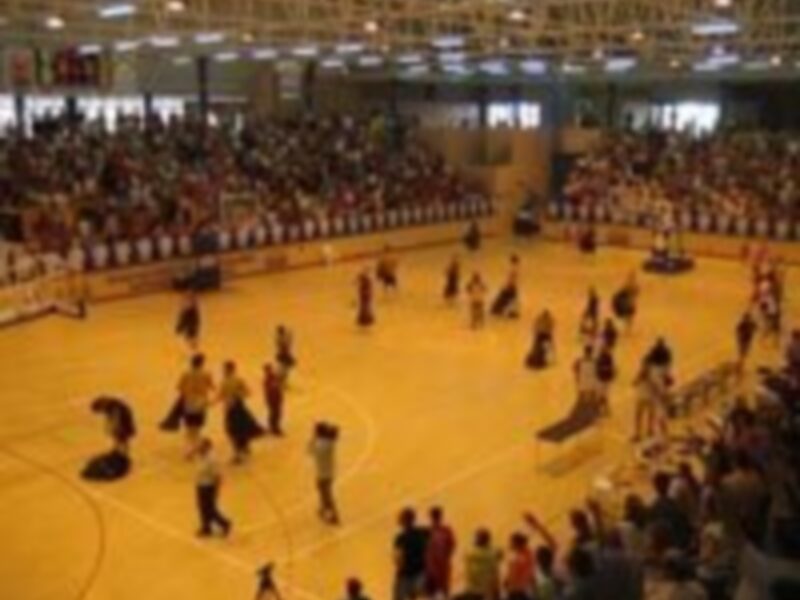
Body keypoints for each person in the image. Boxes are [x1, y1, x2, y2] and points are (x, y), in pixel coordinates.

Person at [218, 360, 264, 464]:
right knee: (241, 430)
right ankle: (243, 449)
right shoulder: (233, 380)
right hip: (236, 408)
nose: (224, 371)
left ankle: (238, 454)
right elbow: (247, 392)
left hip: (234, 409)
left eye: (225, 369)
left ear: (229, 369)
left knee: (234, 431)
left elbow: (246, 392)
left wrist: (235, 396)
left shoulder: (229, 381)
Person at [174, 353, 215, 458]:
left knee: (189, 428)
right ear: (202, 363)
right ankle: (195, 448)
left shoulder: (186, 374)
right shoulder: (206, 374)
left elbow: (179, 388)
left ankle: (189, 450)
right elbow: (212, 387)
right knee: (197, 428)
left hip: (189, 403)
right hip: (201, 403)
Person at [195, 437, 232, 538]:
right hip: (201, 485)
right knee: (202, 507)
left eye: (201, 446)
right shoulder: (200, 456)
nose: (198, 447)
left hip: (209, 487)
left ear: (206, 447)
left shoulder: (212, 459)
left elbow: (217, 476)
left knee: (210, 509)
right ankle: (206, 527)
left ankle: (225, 523)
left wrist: (216, 490)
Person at [393, 508, 429, 600]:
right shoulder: (424, 533)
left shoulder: (400, 538)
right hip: (419, 571)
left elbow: (398, 559)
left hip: (411, 573)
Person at [308, 422, 340, 525]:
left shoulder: (319, 444)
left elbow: (310, 450)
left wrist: (313, 438)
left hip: (322, 474)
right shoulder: (329, 443)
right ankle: (323, 509)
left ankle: (334, 515)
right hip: (328, 473)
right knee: (324, 493)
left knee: (326, 495)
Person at [425, 506, 457, 599]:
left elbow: (451, 545)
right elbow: (452, 545)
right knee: (438, 590)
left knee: (442, 589)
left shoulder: (443, 530)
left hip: (438, 564)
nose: (435, 518)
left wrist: (446, 557)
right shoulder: (429, 531)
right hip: (434, 565)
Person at [463, 528, 503, 600]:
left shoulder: (470, 552)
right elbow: (499, 555)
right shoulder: (493, 553)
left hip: (472, 587)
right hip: (486, 589)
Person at [503, 532, 535, 600]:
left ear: (518, 543)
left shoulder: (523, 554)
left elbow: (516, 569)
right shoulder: (517, 553)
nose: (511, 544)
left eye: (512, 542)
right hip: (517, 588)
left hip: (520, 589)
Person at [263, 363, 286, 436]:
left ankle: (273, 427)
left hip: (275, 398)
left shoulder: (272, 377)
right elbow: (270, 390)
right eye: (268, 370)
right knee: (275, 413)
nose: (270, 371)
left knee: (276, 413)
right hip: (273, 399)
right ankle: (274, 428)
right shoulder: (267, 380)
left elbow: (278, 386)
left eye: (270, 369)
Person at [595, 344, 616, 416]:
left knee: (603, 396)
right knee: (602, 396)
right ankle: (604, 410)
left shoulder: (608, 357)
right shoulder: (602, 358)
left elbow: (611, 368)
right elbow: (597, 368)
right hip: (602, 379)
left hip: (604, 379)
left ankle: (604, 410)